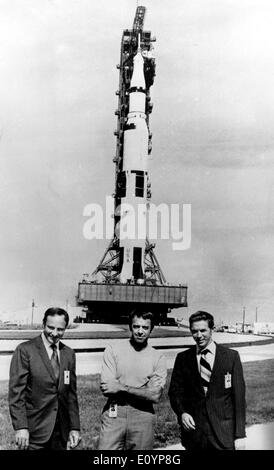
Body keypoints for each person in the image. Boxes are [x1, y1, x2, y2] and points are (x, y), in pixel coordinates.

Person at [169, 310, 246, 450]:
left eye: (203, 330)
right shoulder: (183, 358)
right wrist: (182, 413)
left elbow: (239, 399)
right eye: (194, 331)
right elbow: (174, 393)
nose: (199, 336)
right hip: (194, 436)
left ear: (212, 329)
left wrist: (240, 435)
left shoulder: (231, 357)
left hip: (224, 435)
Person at [9, 307, 81, 450]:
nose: (54, 333)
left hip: (61, 433)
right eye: (50, 327)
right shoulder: (25, 350)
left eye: (60, 329)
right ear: (43, 325)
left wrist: (74, 427)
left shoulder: (68, 354)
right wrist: (21, 427)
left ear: (65, 328)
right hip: (34, 432)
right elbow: (17, 394)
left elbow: (71, 396)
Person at [98, 310, 167, 450]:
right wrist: (143, 390)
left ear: (151, 329)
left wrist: (121, 387)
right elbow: (108, 388)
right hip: (115, 412)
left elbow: (155, 395)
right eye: (136, 327)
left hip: (143, 414)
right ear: (130, 327)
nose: (140, 331)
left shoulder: (158, 357)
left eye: (145, 327)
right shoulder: (113, 350)